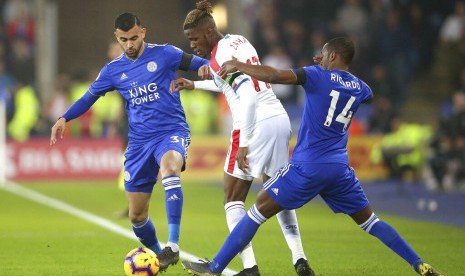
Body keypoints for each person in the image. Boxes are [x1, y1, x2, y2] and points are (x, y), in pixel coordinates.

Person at [181, 37, 443, 276]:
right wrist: (330, 69)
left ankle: (215, 268)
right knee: (372, 222)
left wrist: (239, 65)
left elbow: (273, 75)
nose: (319, 57)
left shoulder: (316, 75)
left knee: (255, 210)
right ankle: (419, 264)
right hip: (340, 169)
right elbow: (369, 96)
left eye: (323, 54)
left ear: (331, 57)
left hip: (307, 166)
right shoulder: (360, 87)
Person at [50, 12, 209, 272]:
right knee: (136, 216)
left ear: (143, 32)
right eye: (124, 39)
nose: (130, 44)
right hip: (138, 144)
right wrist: (64, 118)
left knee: (170, 167)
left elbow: (203, 64)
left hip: (170, 131)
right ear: (117, 37)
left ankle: (173, 245)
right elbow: (89, 98)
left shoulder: (166, 54)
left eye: (134, 38)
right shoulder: (113, 70)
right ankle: (160, 256)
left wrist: (209, 68)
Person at [171, 1, 312, 276]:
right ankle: (299, 259)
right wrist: (195, 83)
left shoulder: (219, 55)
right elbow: (232, 83)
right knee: (277, 191)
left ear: (209, 32)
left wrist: (244, 142)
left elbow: (246, 96)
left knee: (232, 199)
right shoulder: (239, 41)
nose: (192, 45)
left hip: (254, 122)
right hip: (278, 118)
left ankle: (250, 268)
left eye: (194, 38)